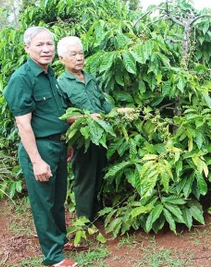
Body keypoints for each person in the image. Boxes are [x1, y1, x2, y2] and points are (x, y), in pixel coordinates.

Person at [4, 27, 78, 267]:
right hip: (39, 149)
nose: (46, 49)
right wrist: (36, 160)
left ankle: (60, 240)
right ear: (27, 48)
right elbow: (23, 125)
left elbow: (55, 113)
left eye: (49, 44)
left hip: (56, 145)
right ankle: (54, 257)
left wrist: (65, 142)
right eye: (39, 45)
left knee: (57, 199)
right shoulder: (22, 78)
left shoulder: (49, 74)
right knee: (43, 202)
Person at [57, 36, 133, 224]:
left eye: (81, 53)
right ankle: (83, 221)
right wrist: (86, 118)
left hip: (102, 135)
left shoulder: (89, 78)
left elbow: (101, 104)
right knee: (85, 178)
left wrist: (118, 112)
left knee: (99, 173)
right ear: (61, 59)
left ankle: (96, 214)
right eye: (73, 54)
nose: (79, 58)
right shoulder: (61, 83)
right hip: (83, 139)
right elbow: (62, 115)